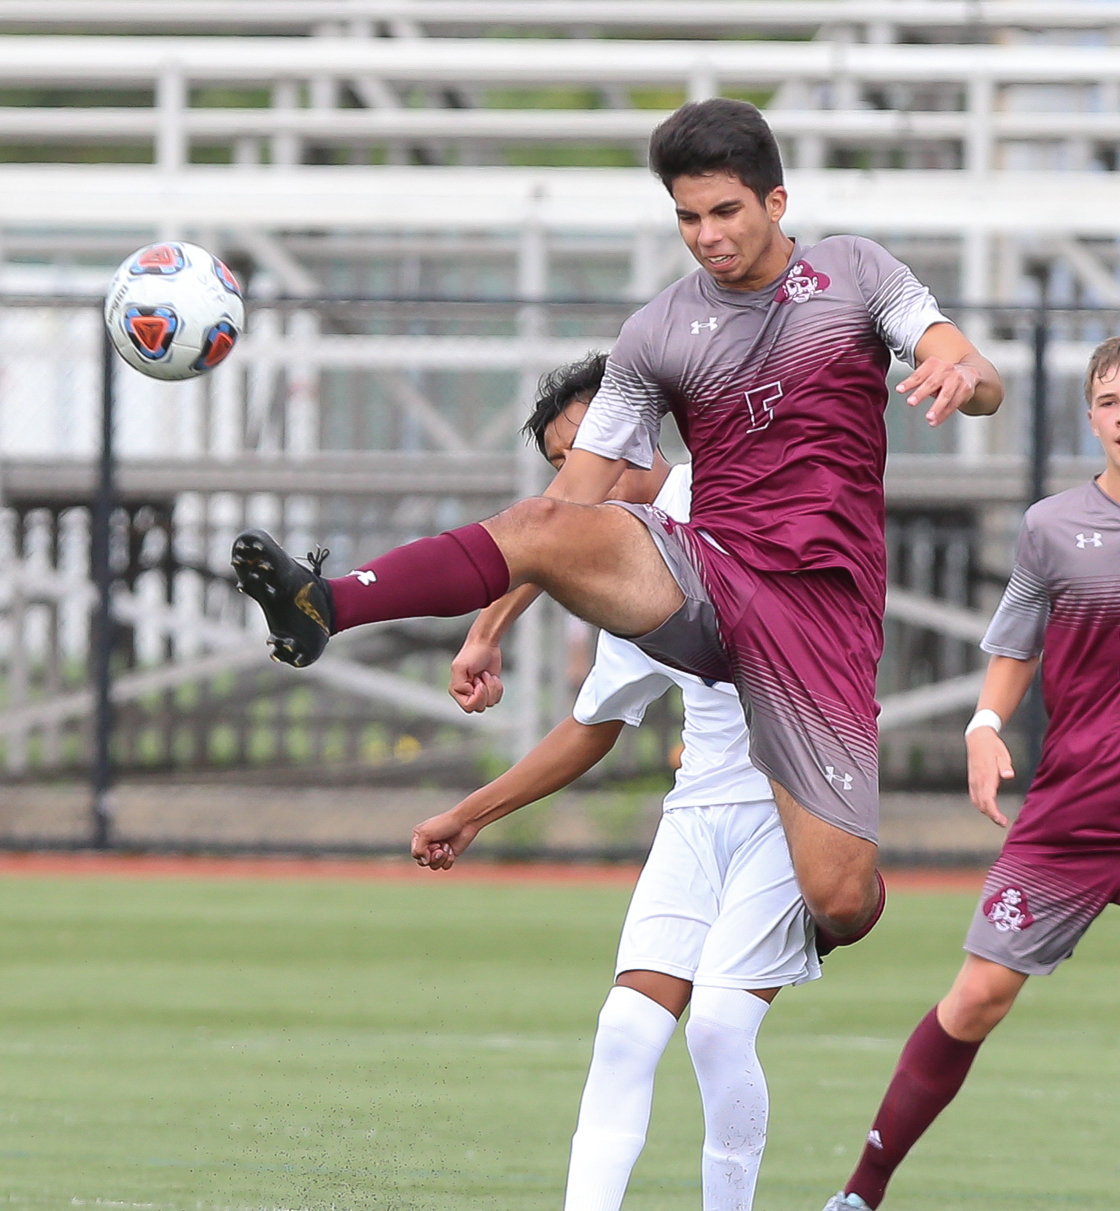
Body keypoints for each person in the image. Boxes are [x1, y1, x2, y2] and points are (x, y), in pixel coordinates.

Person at [231, 98, 1002, 951]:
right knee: (540, 517)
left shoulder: (854, 273)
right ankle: (327, 603)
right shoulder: (659, 332)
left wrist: (962, 375)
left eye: (725, 212)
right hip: (708, 571)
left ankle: (831, 894)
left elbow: (964, 361)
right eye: (687, 217)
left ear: (775, 204)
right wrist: (488, 632)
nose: (707, 235)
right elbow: (571, 507)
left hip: (820, 611)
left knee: (840, 899)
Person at [409, 353, 818, 1211]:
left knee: (719, 1027)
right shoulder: (635, 570)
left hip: (792, 800)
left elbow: (552, 538)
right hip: (698, 816)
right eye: (561, 460)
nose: (576, 472)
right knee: (627, 1028)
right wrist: (472, 810)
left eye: (585, 447)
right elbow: (595, 722)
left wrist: (491, 621)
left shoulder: (713, 491)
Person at [790, 336, 1120, 1211]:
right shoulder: (1053, 526)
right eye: (1110, 399)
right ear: (1091, 415)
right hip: (1075, 812)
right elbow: (1017, 643)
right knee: (973, 999)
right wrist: (983, 726)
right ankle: (857, 1197)